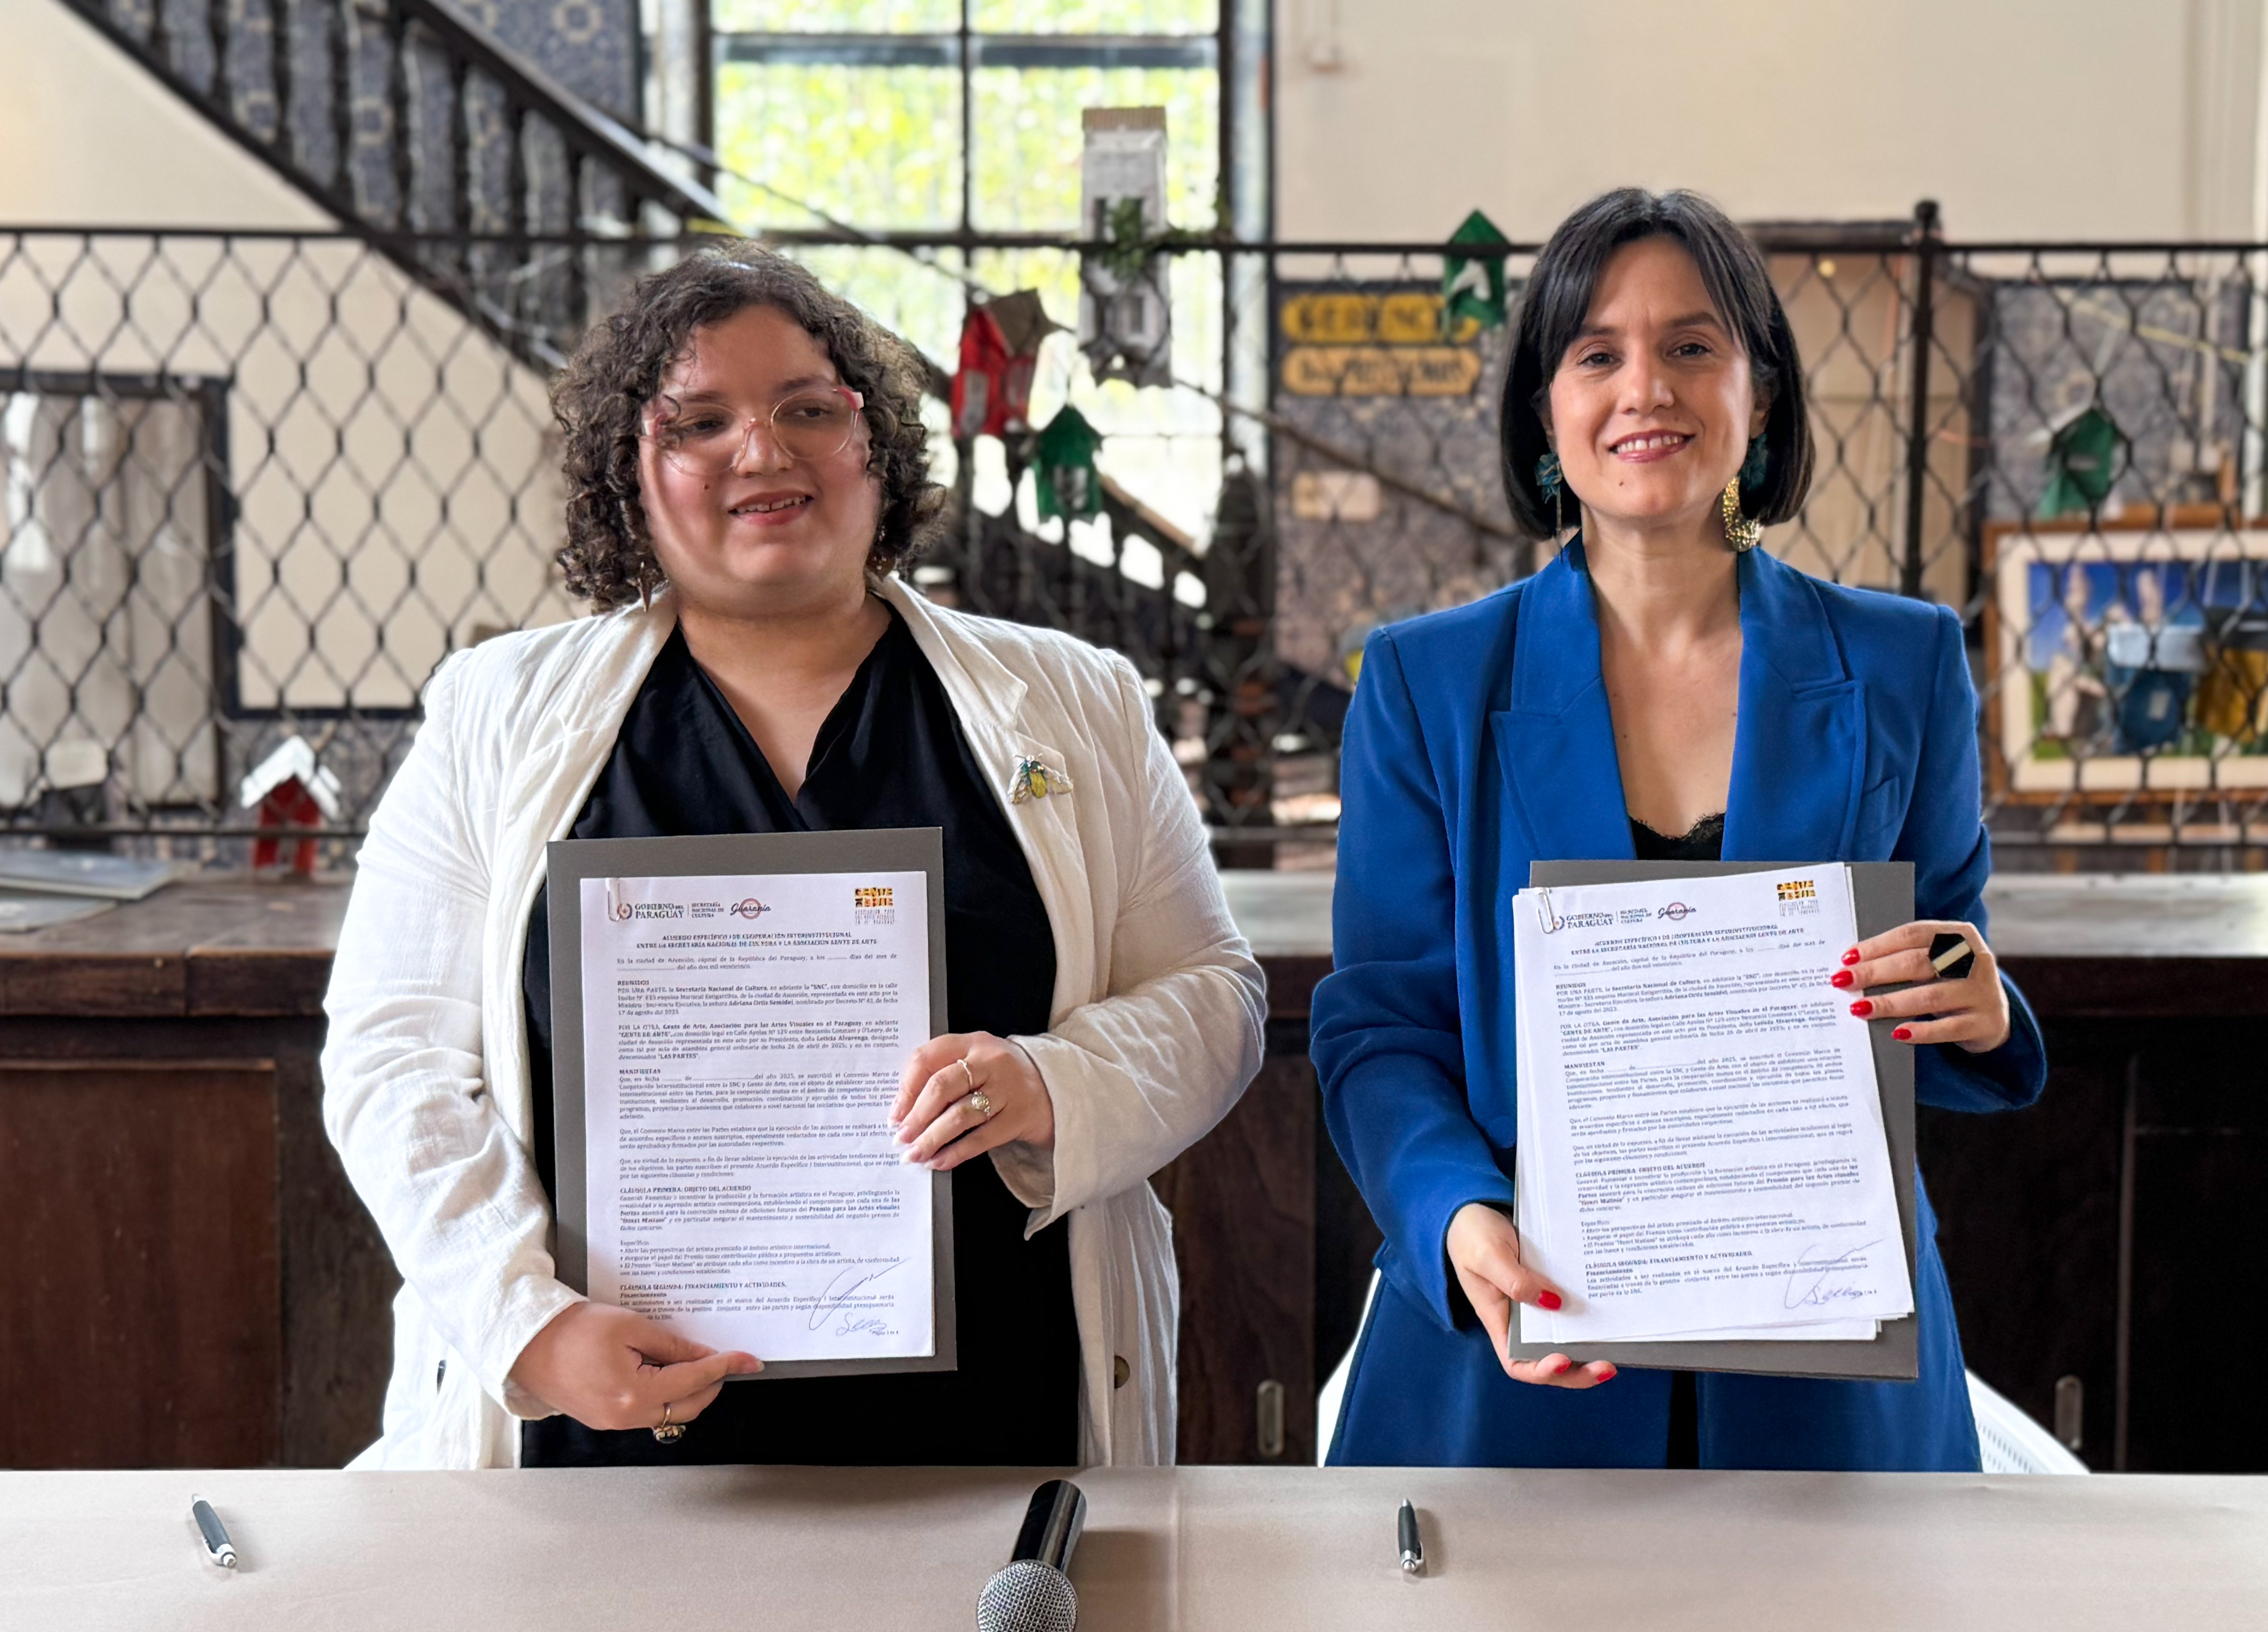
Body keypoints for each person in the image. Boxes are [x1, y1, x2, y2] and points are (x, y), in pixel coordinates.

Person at [322, 243, 1264, 1469]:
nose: (762, 452)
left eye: (807, 409)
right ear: (629, 475)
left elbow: (1215, 998)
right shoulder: (495, 714)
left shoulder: (1075, 701)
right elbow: (391, 1057)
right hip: (609, 1450)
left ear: (875, 445)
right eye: (699, 423)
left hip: (992, 1440)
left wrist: (1056, 1085)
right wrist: (526, 1327)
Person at [1312, 189, 2047, 1471]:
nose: (1644, 387)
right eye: (1596, 354)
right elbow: (1381, 1030)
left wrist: (1972, 1001)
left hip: (1824, 1353)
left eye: (1692, 346)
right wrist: (1455, 1220)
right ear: (1545, 410)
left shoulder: (1905, 664)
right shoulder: (1427, 682)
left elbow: (1941, 964)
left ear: (1759, 395)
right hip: (1520, 1345)